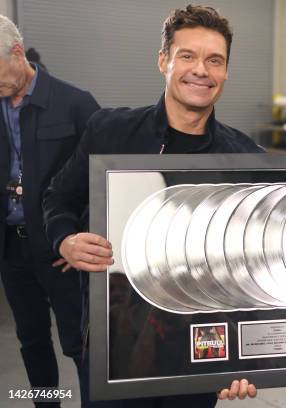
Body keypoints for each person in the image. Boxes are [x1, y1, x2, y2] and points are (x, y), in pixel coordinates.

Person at [42, 5, 259, 407]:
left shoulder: (245, 157)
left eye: (215, 60)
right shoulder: (110, 132)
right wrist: (65, 239)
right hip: (116, 339)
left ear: (226, 72)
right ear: (163, 61)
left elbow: (261, 262)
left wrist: (245, 355)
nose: (201, 70)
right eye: (187, 56)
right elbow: (59, 196)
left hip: (200, 347)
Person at [0, 14, 100, 408]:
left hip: (63, 254)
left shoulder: (76, 104)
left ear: (17, 52)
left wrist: (76, 238)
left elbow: (102, 179)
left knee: (81, 345)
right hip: (13, 250)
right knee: (32, 341)